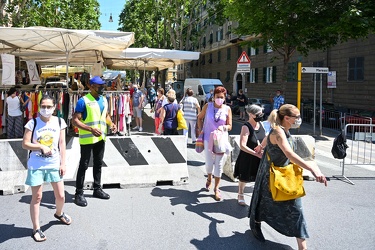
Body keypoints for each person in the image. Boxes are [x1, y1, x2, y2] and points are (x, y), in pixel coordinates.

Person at [249, 104, 327, 249]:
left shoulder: (282, 129)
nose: (299, 119)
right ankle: (256, 224)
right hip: (271, 175)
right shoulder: (279, 132)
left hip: (285, 176)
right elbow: (290, 154)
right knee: (264, 203)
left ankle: (302, 246)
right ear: (287, 118)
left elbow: (267, 136)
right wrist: (312, 170)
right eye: (296, 117)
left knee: (295, 210)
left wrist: (261, 146)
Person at [22, 94, 72, 242]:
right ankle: (36, 228)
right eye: (43, 106)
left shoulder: (59, 122)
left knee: (61, 196)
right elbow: (25, 144)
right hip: (36, 165)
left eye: (49, 106)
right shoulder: (32, 123)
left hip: (54, 164)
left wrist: (63, 163)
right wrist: (40, 146)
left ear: (54, 107)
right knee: (37, 197)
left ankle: (59, 213)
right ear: (39, 107)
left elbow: (62, 143)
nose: (45, 109)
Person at [72, 76, 117, 207]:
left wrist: (111, 124)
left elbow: (106, 115)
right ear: (91, 86)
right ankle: (79, 193)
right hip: (87, 138)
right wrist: (90, 129)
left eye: (103, 85)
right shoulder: (83, 101)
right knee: (84, 165)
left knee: (98, 163)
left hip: (101, 138)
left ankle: (97, 189)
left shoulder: (104, 99)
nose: (102, 88)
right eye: (99, 86)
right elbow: (75, 120)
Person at [197, 86, 232, 201]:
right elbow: (199, 117)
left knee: (219, 164)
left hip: (221, 141)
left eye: (222, 97)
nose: (219, 99)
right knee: (209, 163)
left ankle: (217, 188)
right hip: (208, 138)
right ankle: (209, 177)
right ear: (213, 97)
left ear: (225, 97)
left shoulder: (227, 109)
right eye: (217, 97)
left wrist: (224, 127)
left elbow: (230, 125)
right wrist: (201, 129)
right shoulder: (208, 106)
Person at [234, 105, 267, 206]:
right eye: (258, 114)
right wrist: (255, 154)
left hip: (260, 157)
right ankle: (240, 194)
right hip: (248, 157)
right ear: (251, 114)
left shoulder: (261, 124)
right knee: (244, 177)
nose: (261, 116)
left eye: (262, 113)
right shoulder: (246, 127)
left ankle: (258, 198)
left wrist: (262, 148)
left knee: (260, 178)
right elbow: (242, 145)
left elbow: (265, 138)